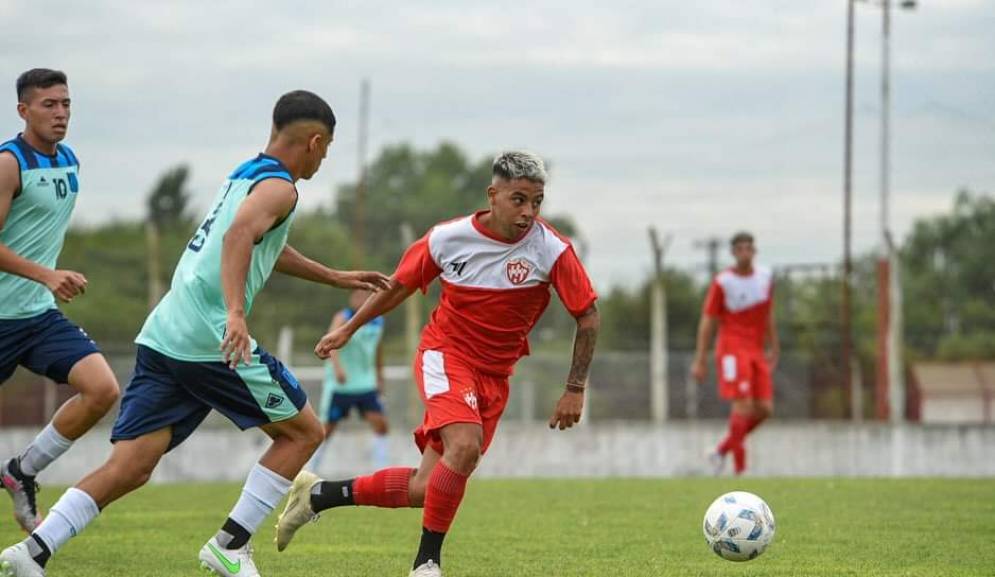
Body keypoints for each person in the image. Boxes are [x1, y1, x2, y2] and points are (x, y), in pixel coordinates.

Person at [0, 90, 391, 577]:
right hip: (209, 340)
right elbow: (237, 238)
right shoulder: (282, 189)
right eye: (327, 148)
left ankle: (31, 553)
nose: (324, 158)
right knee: (304, 432)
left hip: (166, 332)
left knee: (131, 467)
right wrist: (235, 313)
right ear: (314, 142)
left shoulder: (246, 175)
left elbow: (261, 244)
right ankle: (231, 544)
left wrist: (335, 276)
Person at [274, 151, 600, 577]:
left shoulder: (550, 248)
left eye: (536, 202)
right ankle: (427, 563)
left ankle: (317, 496)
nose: (528, 212)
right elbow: (397, 287)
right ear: (493, 194)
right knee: (464, 446)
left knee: (425, 489)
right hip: (446, 355)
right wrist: (348, 329)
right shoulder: (448, 238)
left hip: (495, 376)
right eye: (519, 200)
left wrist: (575, 387)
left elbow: (588, 315)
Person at [0, 69, 121, 534]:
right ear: (23, 111)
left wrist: (48, 280)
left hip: (37, 317)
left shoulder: (69, 160)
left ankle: (21, 471)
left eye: (66, 103)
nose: (60, 113)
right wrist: (47, 274)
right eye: (49, 104)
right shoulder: (10, 163)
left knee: (103, 389)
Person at [691, 232, 779, 476]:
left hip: (756, 349)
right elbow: (708, 321)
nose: (744, 252)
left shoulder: (765, 278)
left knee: (764, 409)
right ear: (733, 253)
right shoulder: (723, 282)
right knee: (743, 405)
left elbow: (767, 313)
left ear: (754, 251)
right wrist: (701, 358)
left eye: (748, 248)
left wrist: (773, 344)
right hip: (731, 349)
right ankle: (740, 470)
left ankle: (720, 451)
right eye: (739, 248)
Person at [309, 288, 390, 473]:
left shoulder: (377, 321)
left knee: (380, 423)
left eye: (365, 296)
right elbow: (330, 342)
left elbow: (377, 350)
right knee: (326, 430)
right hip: (341, 385)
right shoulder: (343, 317)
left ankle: (382, 469)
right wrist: (337, 368)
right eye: (357, 295)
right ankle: (310, 470)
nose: (360, 299)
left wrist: (379, 377)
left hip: (366, 384)